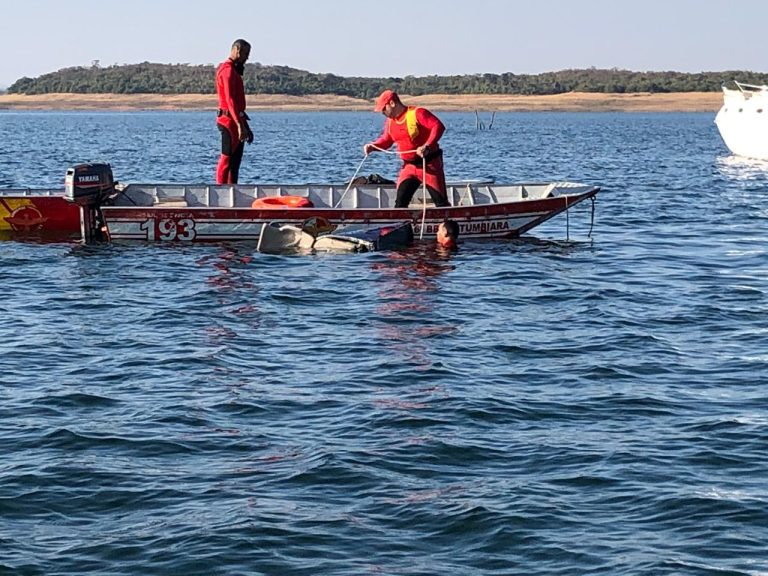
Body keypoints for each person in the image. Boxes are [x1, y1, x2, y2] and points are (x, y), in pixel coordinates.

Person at [363, 90, 450, 208]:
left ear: (392, 103)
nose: (382, 113)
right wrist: (373, 146)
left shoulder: (417, 113)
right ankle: (403, 225)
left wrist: (427, 146)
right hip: (408, 167)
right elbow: (386, 140)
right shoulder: (390, 122)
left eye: (384, 109)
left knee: (441, 203)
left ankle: (447, 224)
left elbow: (438, 126)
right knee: (400, 203)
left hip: (429, 165)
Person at [215, 39, 253, 184]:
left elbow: (237, 105)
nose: (247, 58)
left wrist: (245, 126)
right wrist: (239, 125)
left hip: (236, 120)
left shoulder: (234, 71)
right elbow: (230, 101)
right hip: (228, 122)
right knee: (227, 159)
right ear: (237, 50)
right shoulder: (227, 71)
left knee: (235, 163)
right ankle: (219, 191)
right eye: (245, 54)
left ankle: (232, 191)